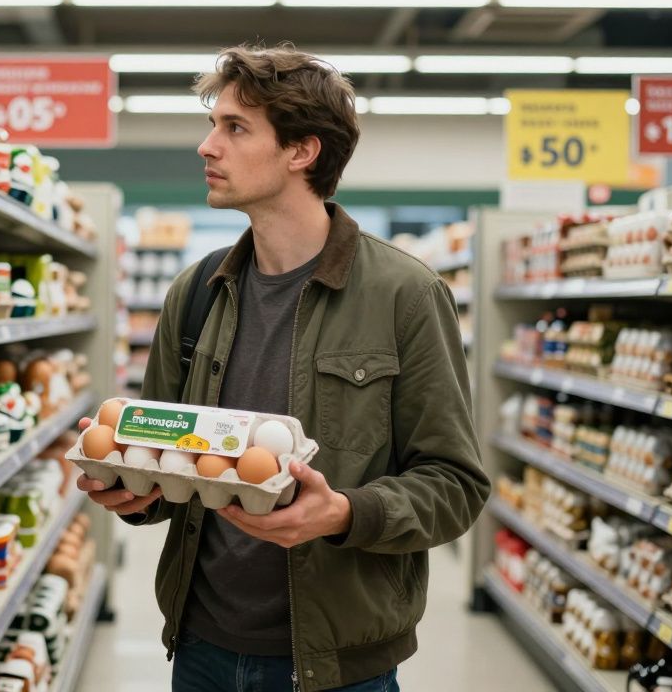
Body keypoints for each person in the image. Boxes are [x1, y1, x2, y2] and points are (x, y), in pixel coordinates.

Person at [76, 44, 490, 692]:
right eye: (213, 125)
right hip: (200, 650)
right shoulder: (196, 294)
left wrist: (344, 512)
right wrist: (131, 494)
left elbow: (456, 485)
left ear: (302, 152)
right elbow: (164, 468)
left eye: (234, 127)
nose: (206, 146)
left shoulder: (403, 294)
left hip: (335, 667)